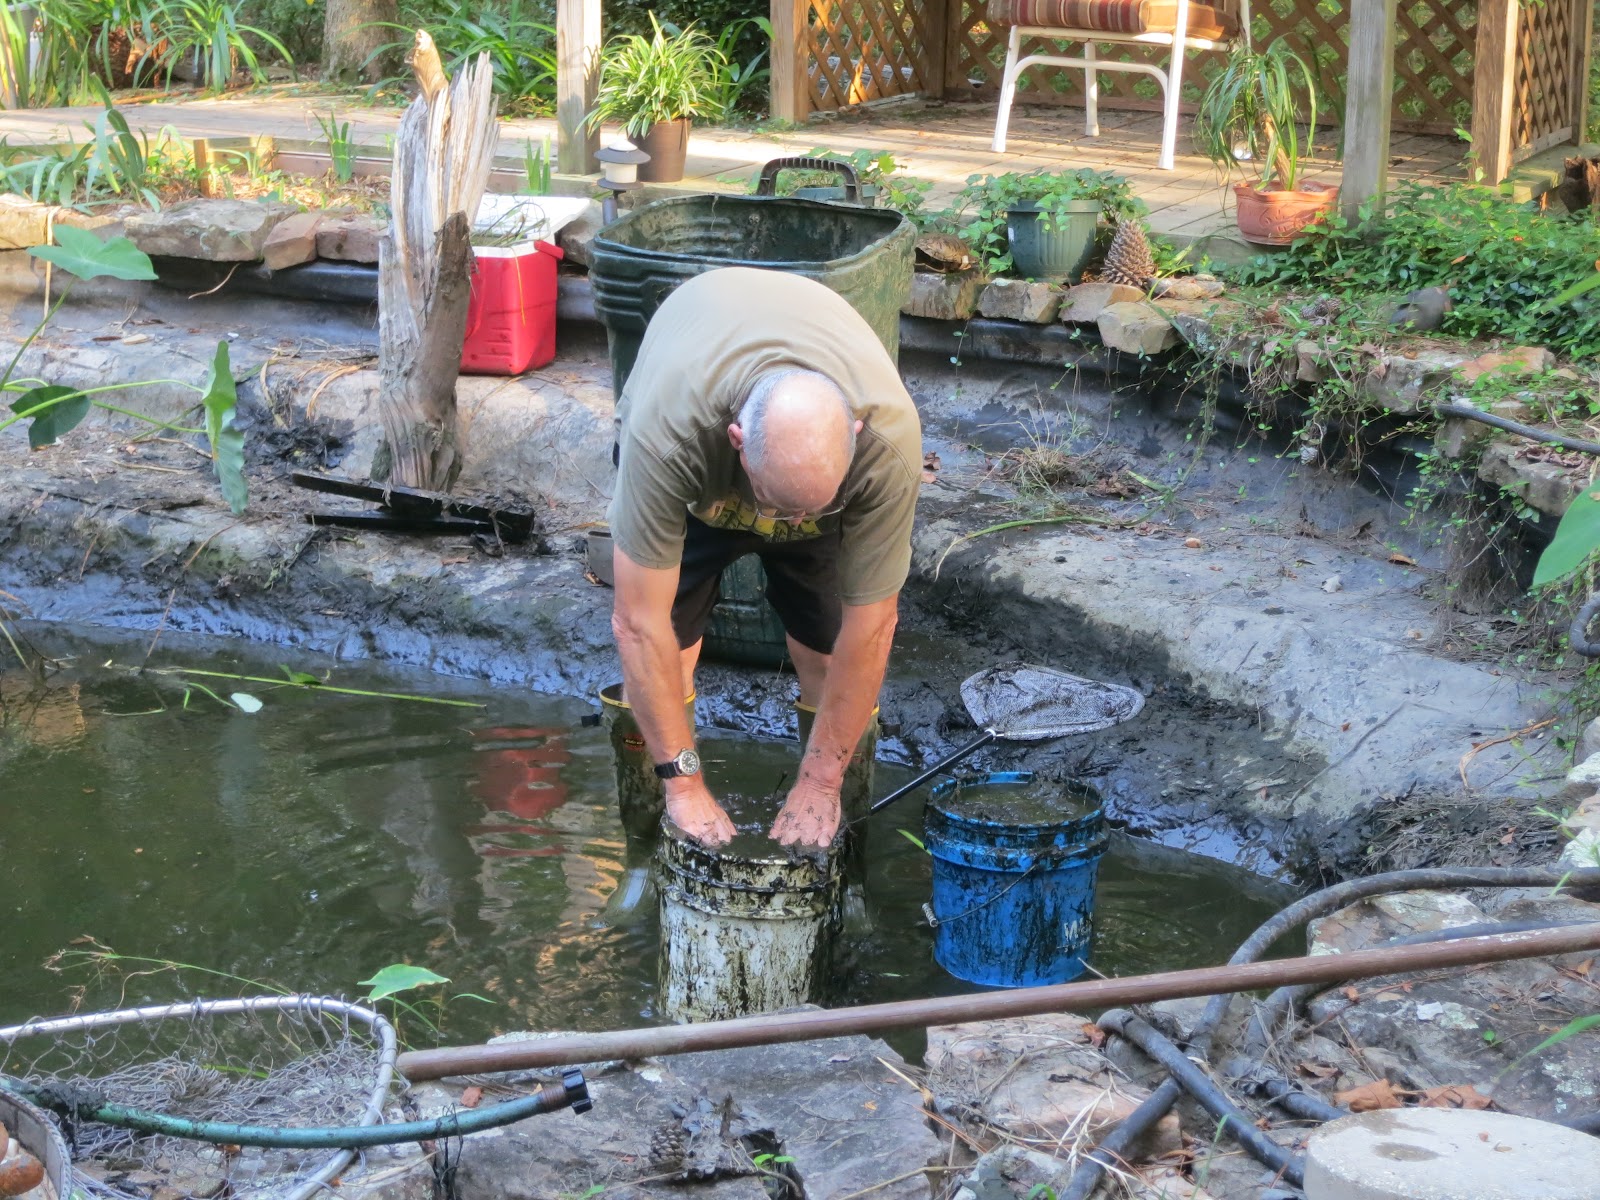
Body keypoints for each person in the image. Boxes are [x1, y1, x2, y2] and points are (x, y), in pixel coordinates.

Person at [606, 266, 923, 849]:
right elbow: (637, 624)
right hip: (699, 466)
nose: (785, 526)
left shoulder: (888, 443)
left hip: (807, 475)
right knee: (669, 651)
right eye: (777, 507)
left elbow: (873, 627)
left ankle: (838, 850)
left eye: (803, 514)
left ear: (854, 435)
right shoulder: (670, 434)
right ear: (737, 443)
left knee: (828, 650)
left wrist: (821, 781)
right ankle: (649, 847)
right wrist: (685, 783)